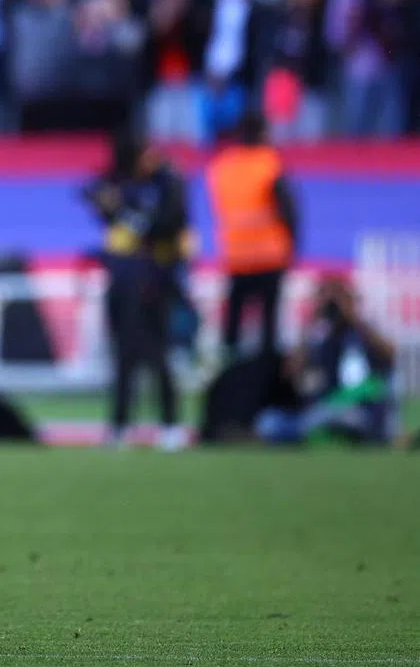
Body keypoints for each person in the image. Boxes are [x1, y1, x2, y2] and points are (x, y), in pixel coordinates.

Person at [83, 128, 190, 450]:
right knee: (124, 354)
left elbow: (167, 224)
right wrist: (110, 208)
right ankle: (119, 426)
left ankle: (170, 424)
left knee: (157, 352)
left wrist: (125, 213)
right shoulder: (121, 183)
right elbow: (98, 200)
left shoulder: (167, 183)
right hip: (124, 278)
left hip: (156, 278)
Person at [255, 275, 397, 446]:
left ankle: (325, 435)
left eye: (336, 299)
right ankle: (324, 435)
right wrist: (311, 324)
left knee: (330, 415)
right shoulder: (319, 337)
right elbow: (290, 372)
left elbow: (391, 354)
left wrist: (352, 316)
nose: (332, 307)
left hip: (359, 409)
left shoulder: (362, 333)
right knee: (269, 421)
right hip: (323, 407)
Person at [207, 111, 298, 360]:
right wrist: (293, 245)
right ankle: (266, 372)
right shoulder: (269, 164)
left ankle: (228, 366)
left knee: (234, 320)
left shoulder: (222, 166)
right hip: (270, 254)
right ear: (263, 133)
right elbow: (288, 209)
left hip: (236, 255)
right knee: (268, 323)